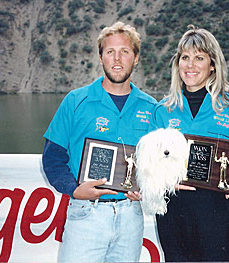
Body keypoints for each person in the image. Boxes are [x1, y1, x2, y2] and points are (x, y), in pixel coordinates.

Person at [42, 21, 156, 262]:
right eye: (110, 51)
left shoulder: (151, 108)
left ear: (135, 58)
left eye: (125, 51)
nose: (117, 59)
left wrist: (146, 188)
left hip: (130, 217)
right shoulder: (75, 101)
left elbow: (157, 164)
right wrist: (74, 189)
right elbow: (53, 158)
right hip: (86, 213)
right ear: (101, 57)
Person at [150, 25, 229, 262]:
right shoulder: (162, 110)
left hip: (219, 216)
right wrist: (163, 179)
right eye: (185, 58)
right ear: (177, 63)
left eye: (199, 58)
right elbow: (149, 163)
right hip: (175, 217)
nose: (190, 65)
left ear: (212, 64)